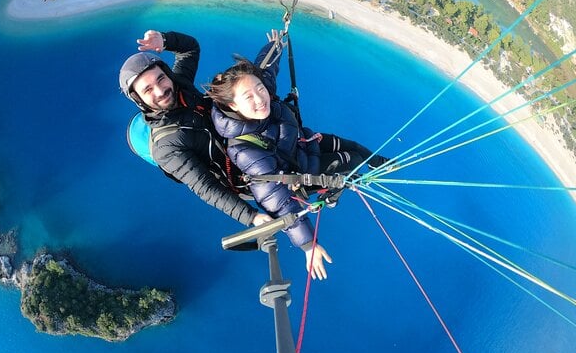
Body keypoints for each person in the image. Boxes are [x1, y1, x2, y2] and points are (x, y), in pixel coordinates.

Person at [207, 31, 389, 280]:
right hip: (300, 175)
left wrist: (275, 45)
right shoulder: (244, 149)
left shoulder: (264, 93)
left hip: (304, 143)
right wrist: (307, 244)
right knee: (351, 161)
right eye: (248, 97)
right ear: (232, 106)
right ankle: (332, 193)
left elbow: (268, 69)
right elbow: (275, 198)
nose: (260, 98)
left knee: (353, 146)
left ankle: (382, 164)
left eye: (259, 89)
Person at [119, 30, 272, 227]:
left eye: (160, 79)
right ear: (138, 100)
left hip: (248, 134)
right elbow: (205, 186)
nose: (160, 90)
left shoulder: (180, 85)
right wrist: (251, 216)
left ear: (167, 73)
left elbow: (190, 49)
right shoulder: (166, 148)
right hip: (247, 173)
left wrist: (165, 40)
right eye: (147, 90)